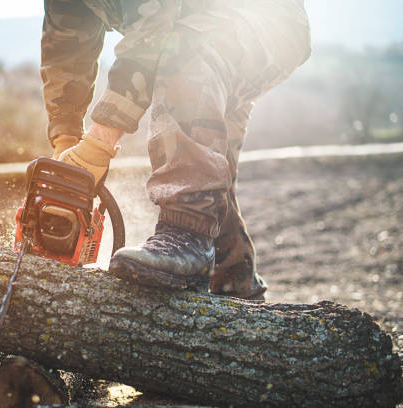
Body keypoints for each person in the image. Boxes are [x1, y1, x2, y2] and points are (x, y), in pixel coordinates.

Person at [41, 0, 311, 300]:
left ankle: (186, 236)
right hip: (203, 31)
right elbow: (65, 48)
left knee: (183, 52)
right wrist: (66, 145)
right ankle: (234, 282)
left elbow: (154, 32)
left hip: (263, 21)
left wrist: (98, 144)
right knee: (205, 162)